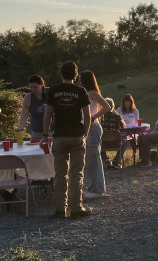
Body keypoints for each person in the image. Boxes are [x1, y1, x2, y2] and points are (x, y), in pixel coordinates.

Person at [43, 61, 92, 219]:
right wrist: (85, 133)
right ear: (76, 75)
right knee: (76, 173)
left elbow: (48, 114)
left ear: (61, 74)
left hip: (60, 136)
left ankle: (60, 209)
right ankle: (76, 208)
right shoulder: (81, 91)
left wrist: (45, 134)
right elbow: (88, 116)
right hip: (76, 135)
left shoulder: (53, 91)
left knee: (60, 174)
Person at [77, 70, 112, 199]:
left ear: (86, 80)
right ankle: (94, 188)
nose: (79, 81)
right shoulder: (84, 93)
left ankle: (97, 190)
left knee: (93, 160)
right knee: (89, 159)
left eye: (80, 79)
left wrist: (93, 117)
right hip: (86, 128)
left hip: (93, 128)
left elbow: (107, 106)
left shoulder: (92, 93)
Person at [17, 75, 48, 139]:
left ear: (42, 85)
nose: (33, 90)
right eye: (31, 88)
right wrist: (21, 127)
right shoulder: (28, 97)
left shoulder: (50, 93)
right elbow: (24, 114)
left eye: (36, 87)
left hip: (51, 132)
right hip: (36, 133)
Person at [113, 94, 139, 168]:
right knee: (123, 141)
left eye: (128, 102)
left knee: (136, 139)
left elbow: (137, 123)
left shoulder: (135, 111)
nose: (127, 103)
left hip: (132, 131)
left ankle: (134, 154)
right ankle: (117, 160)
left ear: (131, 102)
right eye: (125, 102)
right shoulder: (120, 109)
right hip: (121, 131)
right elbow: (116, 119)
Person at [100, 97, 125, 169]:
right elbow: (123, 126)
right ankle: (116, 161)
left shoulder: (100, 117)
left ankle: (105, 159)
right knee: (124, 142)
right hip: (115, 142)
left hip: (103, 143)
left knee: (98, 140)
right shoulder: (117, 117)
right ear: (113, 106)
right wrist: (116, 113)